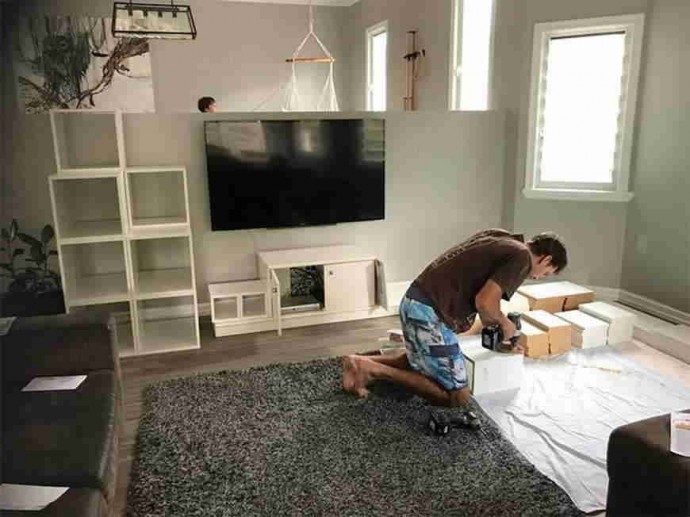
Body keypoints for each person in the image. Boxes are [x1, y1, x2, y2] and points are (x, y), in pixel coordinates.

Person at [341, 228, 568, 407]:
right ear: (546, 259)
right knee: (457, 397)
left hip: (414, 301)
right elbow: (485, 301)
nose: (539, 278)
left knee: (417, 361)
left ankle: (357, 361)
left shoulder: (501, 237)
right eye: (546, 273)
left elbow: (482, 301)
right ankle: (369, 368)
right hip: (429, 314)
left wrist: (497, 333)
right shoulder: (521, 258)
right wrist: (505, 323)